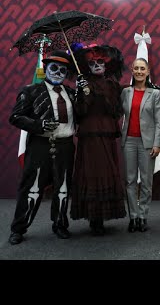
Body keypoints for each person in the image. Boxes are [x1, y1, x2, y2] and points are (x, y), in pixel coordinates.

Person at [8, 50, 76, 245]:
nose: (57, 72)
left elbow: (83, 113)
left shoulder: (71, 93)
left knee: (63, 188)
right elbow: (15, 117)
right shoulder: (30, 91)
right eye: (53, 68)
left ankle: (60, 224)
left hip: (65, 146)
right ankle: (19, 228)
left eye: (63, 70)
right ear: (45, 68)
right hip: (40, 145)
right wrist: (39, 125)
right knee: (32, 188)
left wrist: (85, 93)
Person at [70, 44, 126, 235]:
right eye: (92, 63)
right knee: (90, 173)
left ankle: (103, 217)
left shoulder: (112, 85)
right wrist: (83, 94)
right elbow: (79, 113)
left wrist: (100, 95)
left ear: (106, 64)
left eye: (100, 62)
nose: (96, 65)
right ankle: (93, 218)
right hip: (89, 136)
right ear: (87, 66)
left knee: (106, 172)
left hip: (107, 135)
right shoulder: (82, 84)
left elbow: (116, 111)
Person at [121, 58, 160, 233]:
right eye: (136, 68)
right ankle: (133, 217)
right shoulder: (126, 92)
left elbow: (159, 121)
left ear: (147, 71)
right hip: (128, 141)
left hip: (147, 143)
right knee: (130, 181)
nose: (139, 71)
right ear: (132, 70)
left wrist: (157, 143)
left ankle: (143, 216)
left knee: (146, 181)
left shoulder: (155, 94)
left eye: (142, 68)